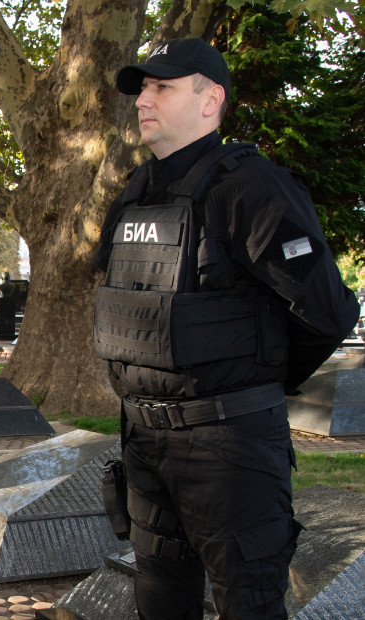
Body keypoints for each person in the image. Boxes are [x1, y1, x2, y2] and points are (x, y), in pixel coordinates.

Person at [93, 38, 360, 620]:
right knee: (159, 599)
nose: (144, 100)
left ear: (210, 99)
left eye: (162, 86)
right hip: (143, 442)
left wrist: (253, 381)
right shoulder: (134, 193)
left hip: (228, 448)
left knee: (250, 603)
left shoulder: (251, 187)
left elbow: (330, 312)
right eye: (143, 88)